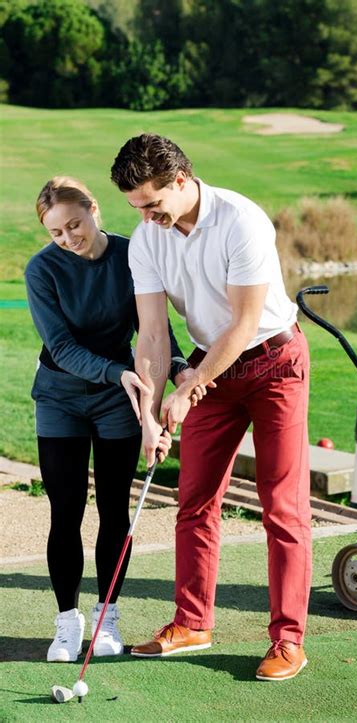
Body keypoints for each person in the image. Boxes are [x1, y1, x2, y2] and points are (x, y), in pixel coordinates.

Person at [110, 134, 312, 681]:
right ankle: (192, 621)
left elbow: (244, 323)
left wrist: (191, 382)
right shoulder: (146, 240)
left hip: (274, 361)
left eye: (153, 203)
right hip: (209, 367)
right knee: (195, 498)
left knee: (282, 505)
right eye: (136, 208)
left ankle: (289, 638)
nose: (147, 217)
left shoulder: (241, 220)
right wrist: (151, 414)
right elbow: (151, 335)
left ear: (180, 180)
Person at [25, 176, 189, 662]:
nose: (69, 238)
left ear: (94, 209)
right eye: (56, 232)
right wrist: (118, 372)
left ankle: (107, 618)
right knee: (66, 510)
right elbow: (60, 348)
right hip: (61, 398)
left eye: (75, 224)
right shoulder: (42, 270)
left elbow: (152, 329)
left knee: (115, 510)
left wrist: (178, 369)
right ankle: (67, 625)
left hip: (119, 397)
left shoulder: (130, 254)